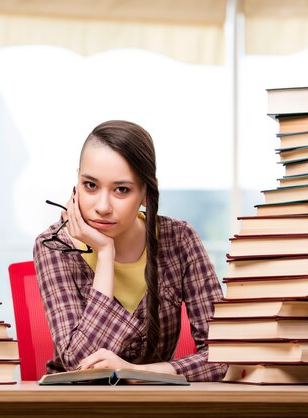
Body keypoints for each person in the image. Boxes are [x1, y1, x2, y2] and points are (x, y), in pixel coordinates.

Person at [33, 120, 227, 381]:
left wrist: (140, 373)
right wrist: (104, 254)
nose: (102, 206)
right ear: (76, 183)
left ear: (147, 192)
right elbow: (80, 366)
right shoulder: (55, 245)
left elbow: (224, 353)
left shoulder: (179, 239)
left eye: (121, 190)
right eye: (90, 185)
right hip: (76, 408)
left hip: (153, 404)